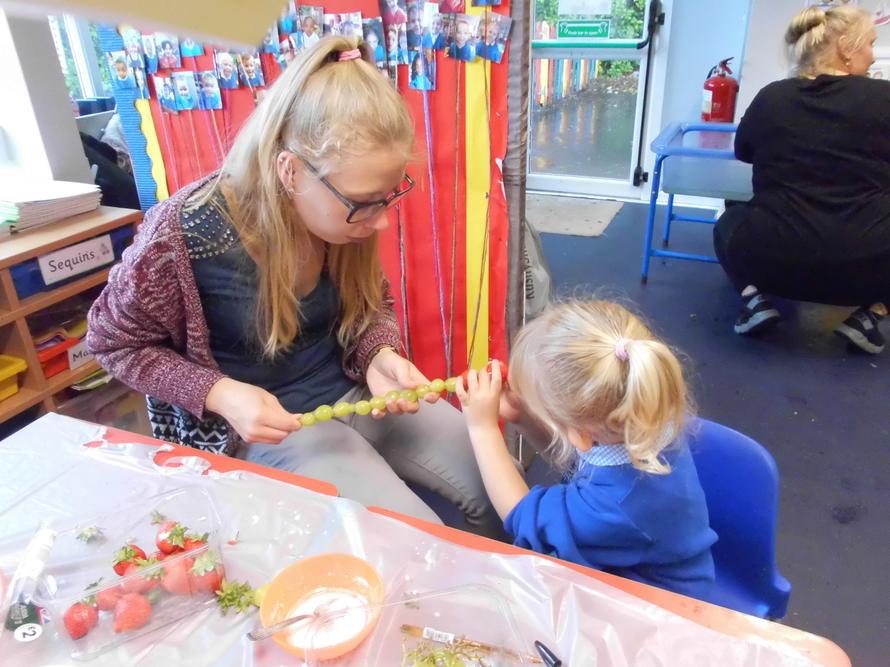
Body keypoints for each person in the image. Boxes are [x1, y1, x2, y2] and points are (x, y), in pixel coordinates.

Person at [87, 36, 503, 539]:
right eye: (364, 202)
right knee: (414, 539)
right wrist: (219, 393)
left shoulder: (342, 217)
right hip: (274, 425)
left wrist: (378, 354)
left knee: (499, 483)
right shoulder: (184, 233)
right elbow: (113, 342)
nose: (381, 222)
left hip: (351, 390)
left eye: (388, 197)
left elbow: (373, 303)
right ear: (290, 171)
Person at [456, 300, 717, 599]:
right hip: (649, 561)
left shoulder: (615, 504)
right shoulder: (644, 415)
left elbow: (526, 520)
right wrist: (524, 417)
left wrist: (483, 428)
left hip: (659, 604)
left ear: (579, 435)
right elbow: (580, 460)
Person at [715, 5, 890, 353]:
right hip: (866, 271)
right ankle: (872, 314)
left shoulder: (772, 97)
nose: (872, 56)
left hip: (773, 264)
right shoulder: (885, 98)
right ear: (846, 47)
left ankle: (754, 300)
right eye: (870, 43)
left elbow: (743, 151)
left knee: (728, 220)